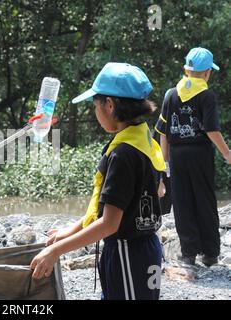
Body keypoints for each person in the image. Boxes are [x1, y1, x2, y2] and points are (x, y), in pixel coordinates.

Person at [30, 62, 166, 300]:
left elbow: (109, 224)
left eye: (95, 105)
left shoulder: (123, 154)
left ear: (110, 105)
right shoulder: (144, 139)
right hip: (145, 249)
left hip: (126, 253)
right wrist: (69, 231)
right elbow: (118, 205)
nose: (95, 112)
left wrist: (54, 251)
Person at [155, 47, 231, 267]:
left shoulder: (171, 94)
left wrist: (165, 164)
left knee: (182, 201)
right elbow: (211, 130)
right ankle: (210, 253)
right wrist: (226, 153)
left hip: (177, 156)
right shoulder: (206, 96)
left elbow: (163, 132)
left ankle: (188, 253)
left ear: (186, 70)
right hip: (200, 155)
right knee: (205, 200)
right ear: (207, 73)